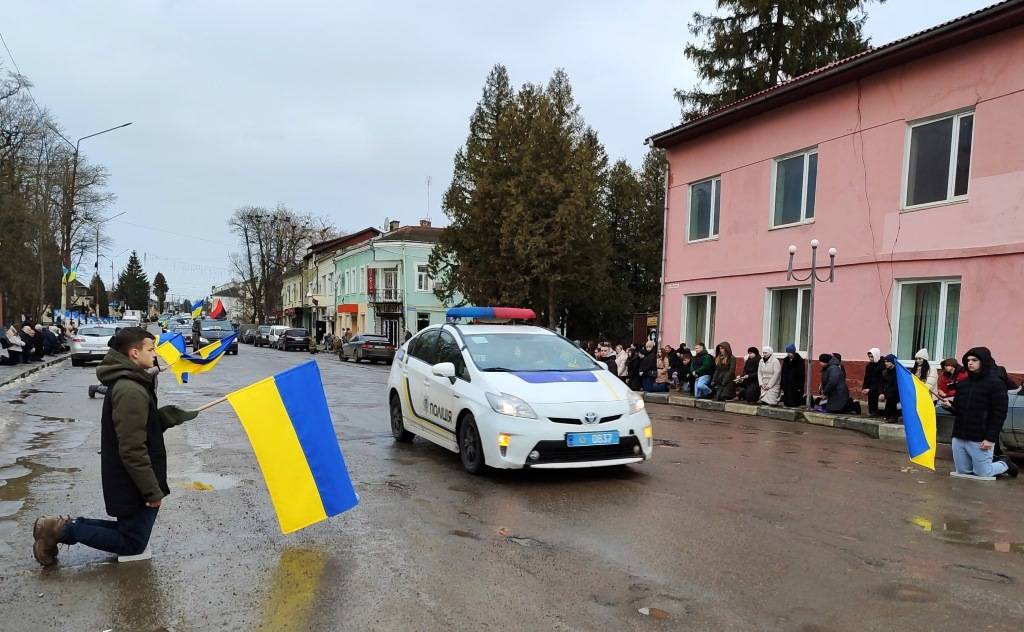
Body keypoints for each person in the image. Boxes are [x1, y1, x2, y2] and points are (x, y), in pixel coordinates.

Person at [31, 328, 200, 566]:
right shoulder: (130, 389)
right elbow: (132, 448)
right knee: (132, 543)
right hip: (132, 479)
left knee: (129, 533)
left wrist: (163, 418)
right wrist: (152, 491)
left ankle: (59, 526)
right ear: (134, 353)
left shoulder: (134, 381)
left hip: (130, 477)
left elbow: (134, 428)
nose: (155, 354)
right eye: (150, 349)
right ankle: (58, 531)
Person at [941, 347, 1018, 479]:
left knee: (983, 472)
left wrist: (990, 438)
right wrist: (949, 406)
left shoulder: (996, 384)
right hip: (959, 436)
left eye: (974, 360)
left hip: (980, 437)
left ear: (984, 361)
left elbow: (999, 414)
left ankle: (1004, 463)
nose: (970, 363)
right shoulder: (962, 384)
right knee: (963, 472)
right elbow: (959, 410)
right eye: (968, 360)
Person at [861, 347, 885, 417]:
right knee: (870, 396)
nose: (871, 358)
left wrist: (870, 389)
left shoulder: (882, 365)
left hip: (880, 386)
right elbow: (866, 377)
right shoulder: (869, 365)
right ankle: (872, 411)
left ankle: (876, 412)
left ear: (876, 355)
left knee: (873, 393)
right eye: (869, 357)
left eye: (872, 357)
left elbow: (881, 380)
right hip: (871, 385)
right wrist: (864, 388)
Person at [881, 356, 901, 421]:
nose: (885, 363)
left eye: (887, 362)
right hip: (888, 392)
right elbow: (882, 384)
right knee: (887, 415)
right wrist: (881, 393)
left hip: (897, 393)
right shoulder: (885, 372)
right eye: (885, 362)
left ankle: (894, 417)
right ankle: (897, 413)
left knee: (891, 396)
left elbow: (896, 386)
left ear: (892, 362)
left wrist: (886, 393)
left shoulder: (898, 372)